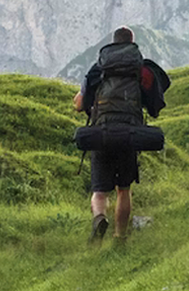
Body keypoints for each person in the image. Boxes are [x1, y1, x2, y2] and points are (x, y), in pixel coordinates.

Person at [71, 26, 170, 245]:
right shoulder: (141, 70)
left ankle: (99, 218)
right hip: (129, 134)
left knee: (99, 191)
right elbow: (155, 105)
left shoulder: (99, 69)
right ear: (132, 43)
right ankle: (120, 238)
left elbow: (79, 105)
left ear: (113, 42)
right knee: (124, 190)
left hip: (101, 133)